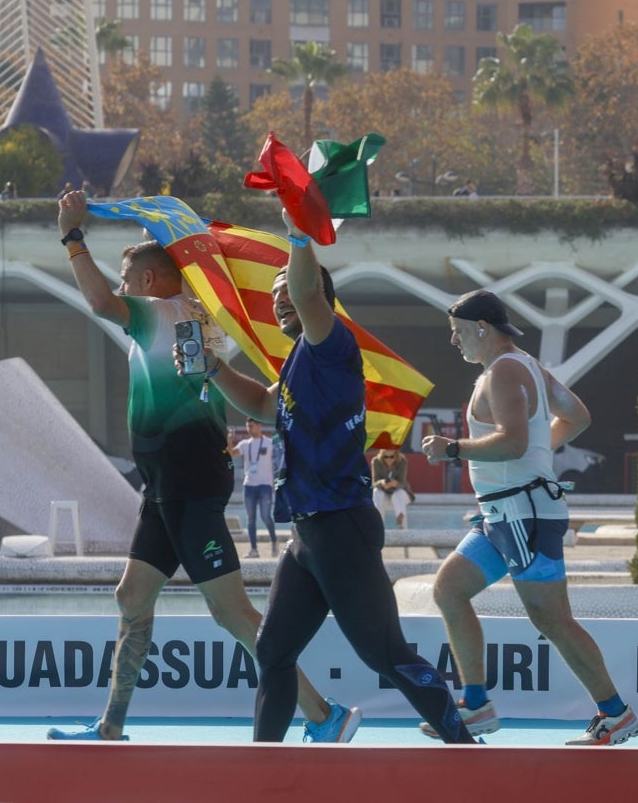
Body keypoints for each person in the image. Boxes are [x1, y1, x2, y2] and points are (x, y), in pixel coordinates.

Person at [47, 190, 357, 745]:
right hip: (166, 486)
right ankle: (112, 725)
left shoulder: (156, 312)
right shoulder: (193, 319)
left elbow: (98, 301)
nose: (120, 289)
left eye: (126, 279)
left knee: (233, 613)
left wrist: (73, 236)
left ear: (146, 282)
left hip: (188, 484)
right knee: (131, 596)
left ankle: (322, 713)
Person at [186, 209, 476, 745]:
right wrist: (211, 367)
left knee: (386, 656)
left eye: (287, 289)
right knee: (273, 653)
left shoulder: (331, 341)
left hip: (341, 528)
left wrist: (298, 235)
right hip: (309, 536)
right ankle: (264, 770)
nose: (278, 299)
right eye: (274, 293)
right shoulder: (300, 356)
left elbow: (309, 292)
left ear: (317, 298)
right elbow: (262, 405)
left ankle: (465, 746)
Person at [419, 290, 638, 746]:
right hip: (504, 513)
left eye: (459, 332)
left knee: (552, 620)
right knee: (449, 590)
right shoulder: (526, 365)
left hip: (522, 516)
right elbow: (576, 416)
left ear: (482, 327)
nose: (454, 341)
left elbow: (514, 442)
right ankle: (477, 704)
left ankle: (615, 714)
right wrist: (538, 458)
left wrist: (453, 449)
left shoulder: (502, 371)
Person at [229, 418, 279, 558]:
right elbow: (232, 453)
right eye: (247, 426)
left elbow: (278, 461)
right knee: (250, 519)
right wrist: (229, 440)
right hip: (249, 485)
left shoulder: (269, 443)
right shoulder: (245, 444)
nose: (249, 429)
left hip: (265, 485)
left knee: (265, 516)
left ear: (259, 426)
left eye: (251, 426)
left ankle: (274, 542)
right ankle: (253, 550)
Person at [371, 448, 414, 529]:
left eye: (391, 457)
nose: (388, 459)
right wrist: (382, 482)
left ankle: (400, 523)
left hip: (399, 492)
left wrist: (395, 483)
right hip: (383, 492)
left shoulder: (402, 461)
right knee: (377, 492)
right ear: (382, 455)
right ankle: (378, 525)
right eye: (385, 457)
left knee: (398, 494)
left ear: (396, 455)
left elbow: (402, 483)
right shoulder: (376, 461)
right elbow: (374, 483)